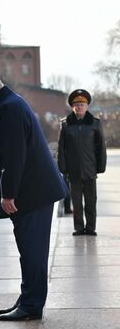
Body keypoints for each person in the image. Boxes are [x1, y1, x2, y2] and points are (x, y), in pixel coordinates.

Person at [0, 73, 68, 321]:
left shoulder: (8, 109)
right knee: (29, 249)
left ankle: (32, 305)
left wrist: (8, 193)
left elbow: (14, 158)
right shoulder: (9, 104)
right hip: (34, 191)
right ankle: (27, 299)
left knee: (32, 249)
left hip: (31, 193)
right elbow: (7, 145)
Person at [57, 89, 107, 236]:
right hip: (74, 171)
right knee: (77, 203)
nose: (79, 107)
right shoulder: (66, 125)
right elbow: (62, 148)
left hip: (90, 170)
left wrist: (100, 167)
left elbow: (101, 148)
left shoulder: (95, 124)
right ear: (72, 106)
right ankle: (79, 228)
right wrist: (63, 167)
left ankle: (91, 228)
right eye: (76, 104)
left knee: (91, 202)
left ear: (87, 106)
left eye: (82, 104)